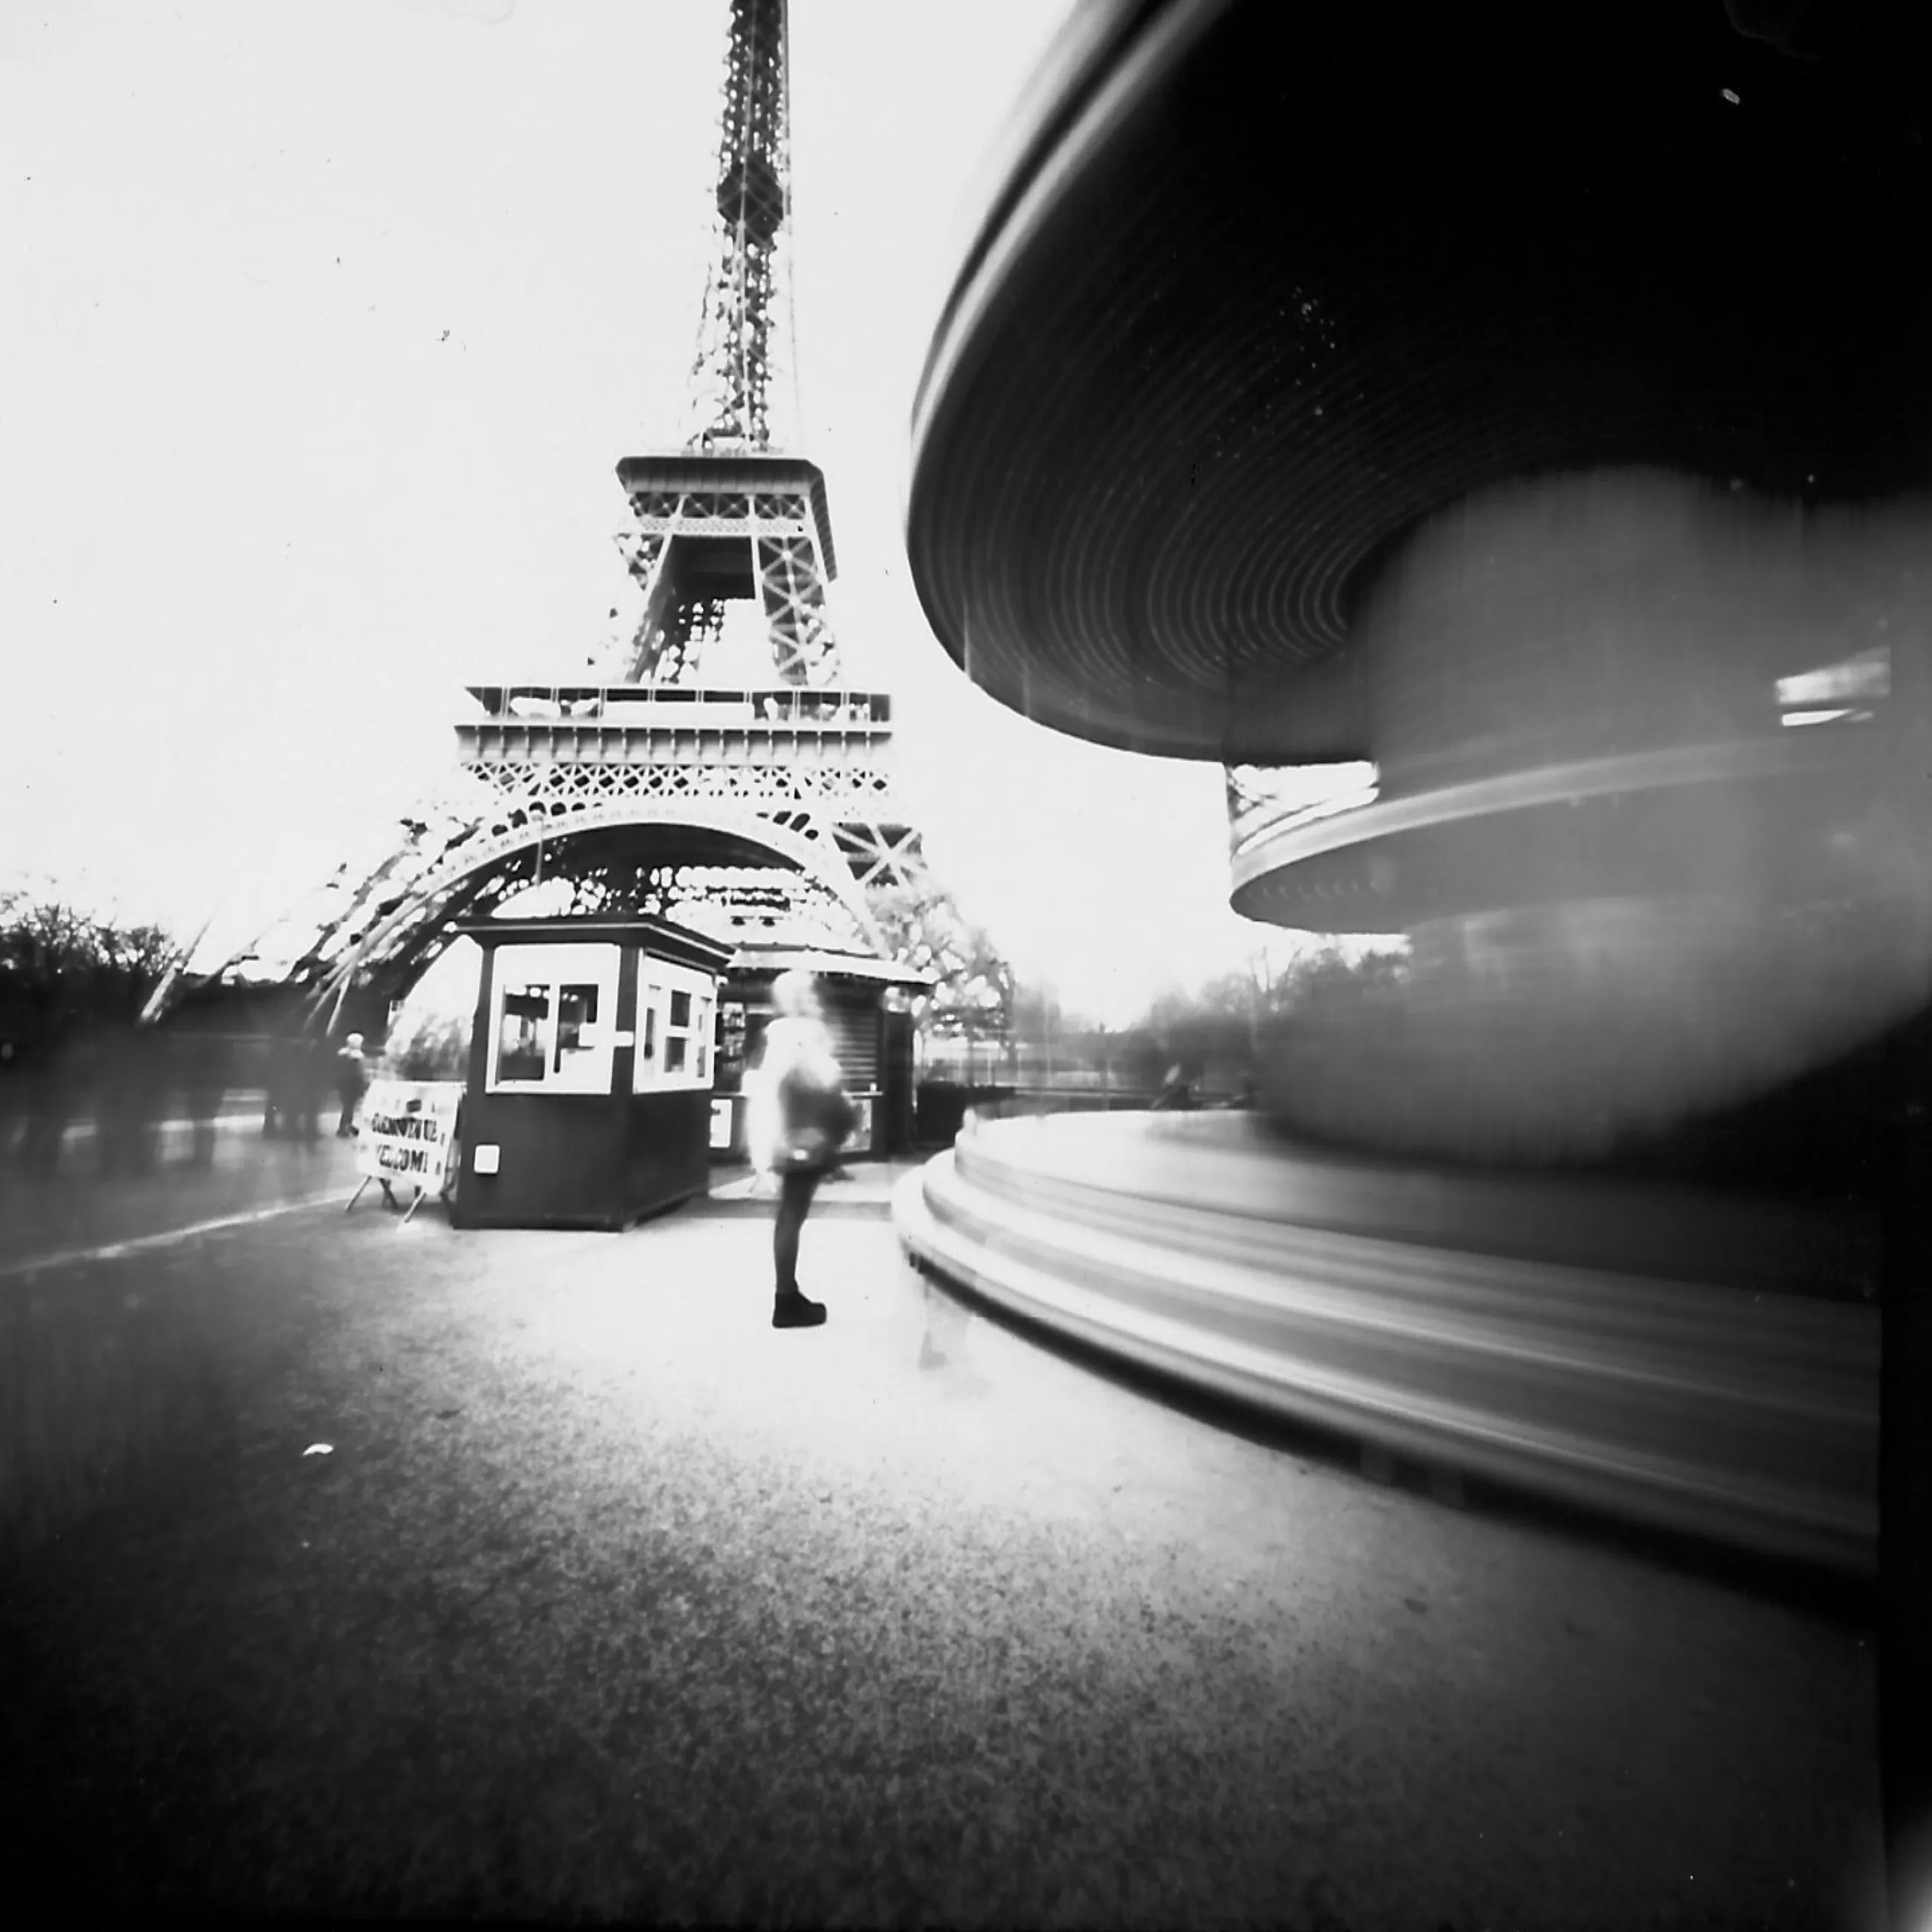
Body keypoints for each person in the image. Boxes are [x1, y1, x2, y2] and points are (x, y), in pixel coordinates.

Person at [746, 970, 854, 1330]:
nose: (814, 997)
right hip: (800, 1139)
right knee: (792, 1216)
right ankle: (786, 1300)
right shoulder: (800, 1034)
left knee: (791, 1215)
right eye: (807, 992)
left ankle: (788, 1294)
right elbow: (821, 1079)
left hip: (793, 1136)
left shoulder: (781, 1035)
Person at [334, 1032, 368, 1138]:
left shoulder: (343, 1055)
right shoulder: (356, 1058)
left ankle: (347, 1125)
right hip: (353, 1085)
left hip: (343, 1084)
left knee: (348, 1106)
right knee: (349, 1107)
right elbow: (359, 1074)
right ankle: (344, 1127)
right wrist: (363, 1086)